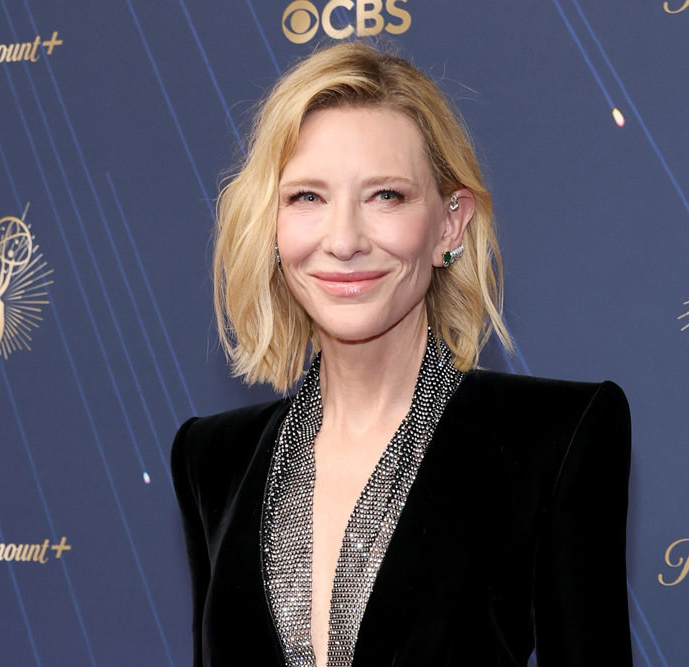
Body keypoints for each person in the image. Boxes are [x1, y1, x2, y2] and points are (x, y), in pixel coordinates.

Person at [171, 41, 632, 666]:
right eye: (307, 197)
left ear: (450, 224)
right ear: (270, 226)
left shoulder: (554, 439)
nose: (344, 241)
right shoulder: (211, 458)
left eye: (385, 195)